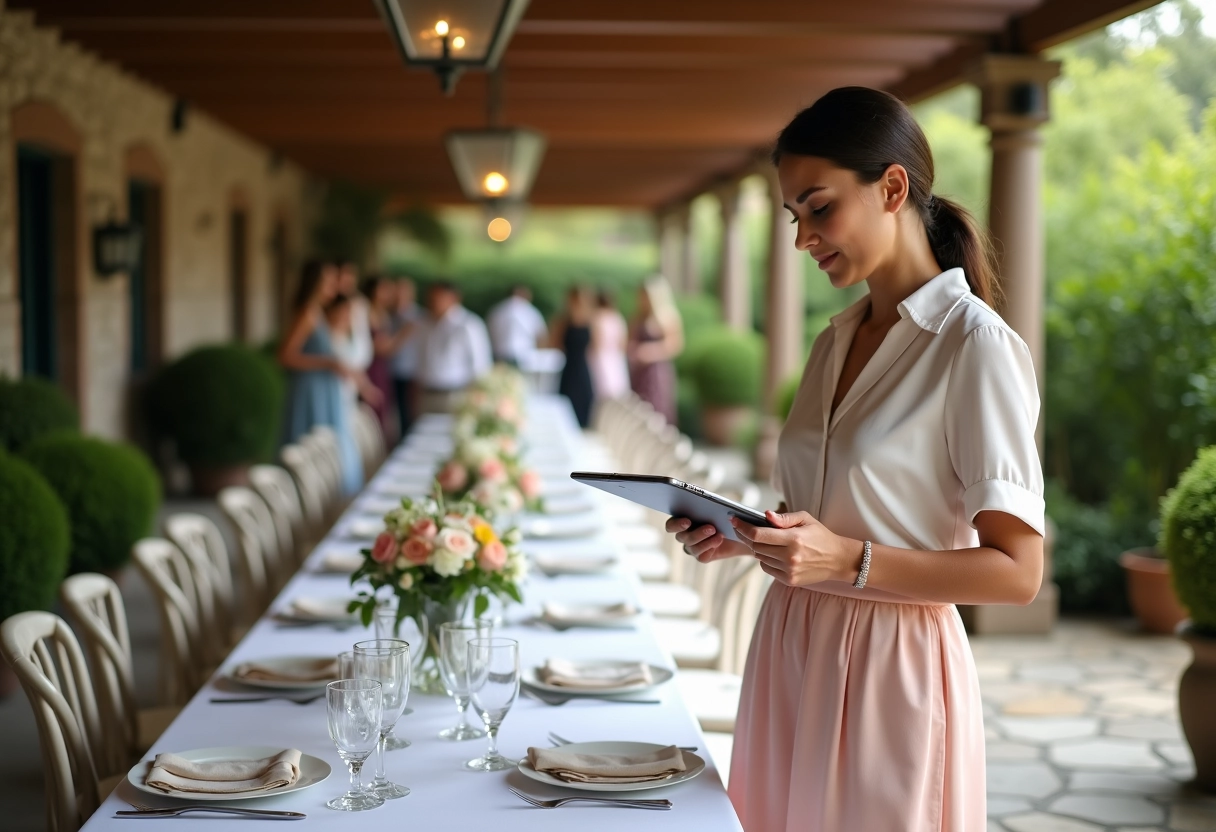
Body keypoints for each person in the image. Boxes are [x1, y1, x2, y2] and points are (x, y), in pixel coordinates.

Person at [665, 87, 1045, 832]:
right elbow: (829, 522)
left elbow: (1018, 572)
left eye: (819, 207)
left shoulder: (975, 347)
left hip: (890, 669)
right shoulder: (830, 342)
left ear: (892, 188)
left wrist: (845, 562)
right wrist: (747, 536)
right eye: (793, 216)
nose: (803, 237)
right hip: (787, 649)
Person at [277, 259, 363, 495]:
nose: (333, 287)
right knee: (311, 448)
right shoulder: (306, 312)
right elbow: (285, 356)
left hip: (324, 390)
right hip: (310, 391)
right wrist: (328, 362)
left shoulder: (318, 313)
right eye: (327, 281)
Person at [415, 282, 493, 414]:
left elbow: (480, 365)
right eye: (430, 299)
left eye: (437, 298)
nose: (432, 303)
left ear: (453, 298)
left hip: (455, 395)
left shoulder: (468, 324)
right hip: (427, 393)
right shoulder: (425, 323)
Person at [362, 275, 415, 443]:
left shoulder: (383, 313)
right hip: (373, 370)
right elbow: (382, 349)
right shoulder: (367, 312)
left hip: (384, 369)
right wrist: (404, 334)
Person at [628, 277, 682, 423]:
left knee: (658, 409)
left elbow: (675, 345)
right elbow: (630, 340)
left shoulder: (667, 317)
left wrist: (650, 352)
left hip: (657, 372)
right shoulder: (638, 317)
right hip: (640, 371)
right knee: (639, 409)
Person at [551, 286, 595, 428]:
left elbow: (595, 345)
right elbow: (554, 342)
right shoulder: (564, 321)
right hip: (569, 367)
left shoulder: (590, 319)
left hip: (582, 367)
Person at [389, 277, 423, 436]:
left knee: (410, 409)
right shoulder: (388, 314)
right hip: (391, 370)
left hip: (411, 369)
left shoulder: (419, 316)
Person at [487, 285, 547, 367]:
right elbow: (541, 336)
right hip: (524, 356)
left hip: (498, 356)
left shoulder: (496, 310)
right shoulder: (529, 310)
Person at [588, 289, 630, 401]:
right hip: (616, 359)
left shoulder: (596, 318)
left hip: (600, 359)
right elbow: (623, 343)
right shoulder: (618, 318)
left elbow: (595, 342)